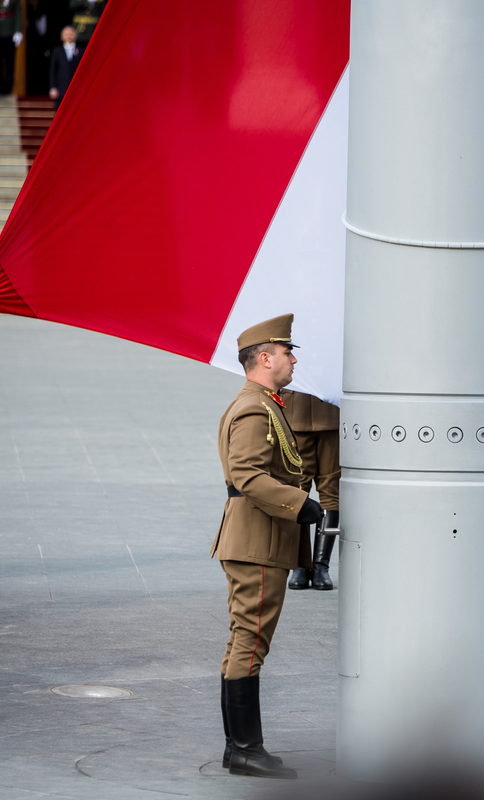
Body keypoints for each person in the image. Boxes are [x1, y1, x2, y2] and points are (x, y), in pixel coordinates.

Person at [212, 314, 322, 779]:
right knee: (251, 641)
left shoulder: (265, 403)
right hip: (257, 541)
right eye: (287, 352)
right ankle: (244, 750)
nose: (293, 359)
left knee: (244, 639)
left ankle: (239, 747)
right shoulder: (256, 409)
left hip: (257, 538)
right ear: (264, 358)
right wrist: (302, 505)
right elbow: (247, 475)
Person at [283, 388, 340, 590]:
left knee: (330, 490)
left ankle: (321, 566)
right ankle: (300, 564)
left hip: (332, 414)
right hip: (294, 413)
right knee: (297, 490)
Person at [48, 26, 83, 111]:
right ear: (62, 37)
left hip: (76, 89)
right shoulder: (57, 51)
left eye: (71, 34)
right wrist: (52, 87)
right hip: (60, 89)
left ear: (75, 36)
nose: (69, 36)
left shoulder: (82, 51)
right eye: (66, 34)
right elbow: (53, 70)